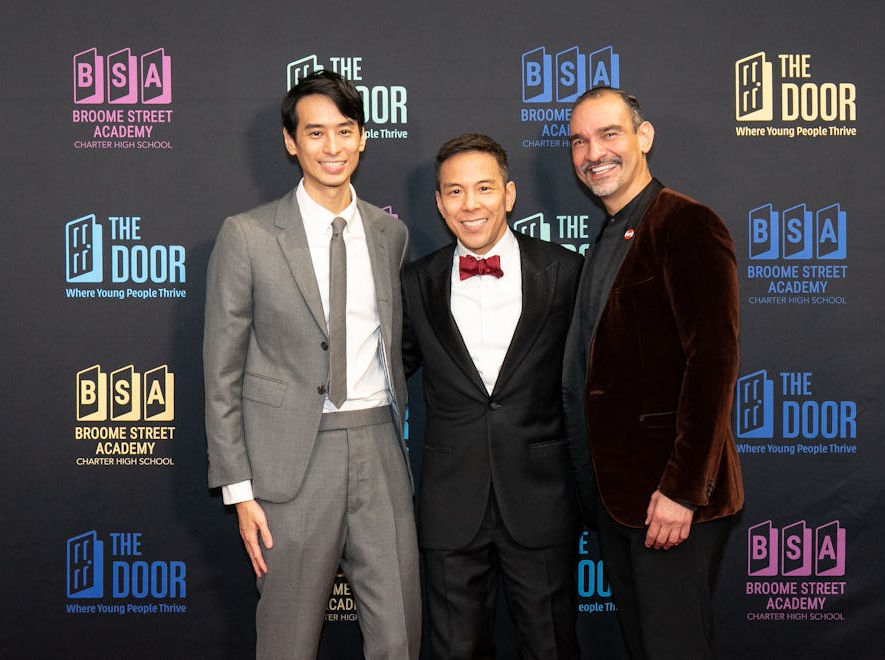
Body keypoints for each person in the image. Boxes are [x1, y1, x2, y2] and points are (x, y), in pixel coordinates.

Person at [203, 69, 420, 660]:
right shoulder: (247, 235)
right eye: (315, 132)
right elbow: (221, 372)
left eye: (345, 130)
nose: (332, 147)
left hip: (379, 447)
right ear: (290, 141)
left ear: (363, 138)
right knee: (287, 643)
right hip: (289, 463)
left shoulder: (390, 234)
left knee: (399, 637)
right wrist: (240, 490)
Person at [562, 87, 744, 659]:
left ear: (644, 137)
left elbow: (712, 364)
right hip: (621, 501)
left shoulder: (687, 223)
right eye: (579, 141)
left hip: (670, 501)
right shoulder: (608, 235)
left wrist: (683, 491)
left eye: (609, 134)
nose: (594, 152)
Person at [402, 134, 582, 659]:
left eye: (483, 188)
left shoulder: (564, 272)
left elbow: (590, 379)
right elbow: (383, 371)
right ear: (439, 203)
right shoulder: (415, 282)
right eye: (455, 191)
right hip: (450, 504)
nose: (470, 204)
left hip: (540, 498)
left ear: (509, 194)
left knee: (551, 648)